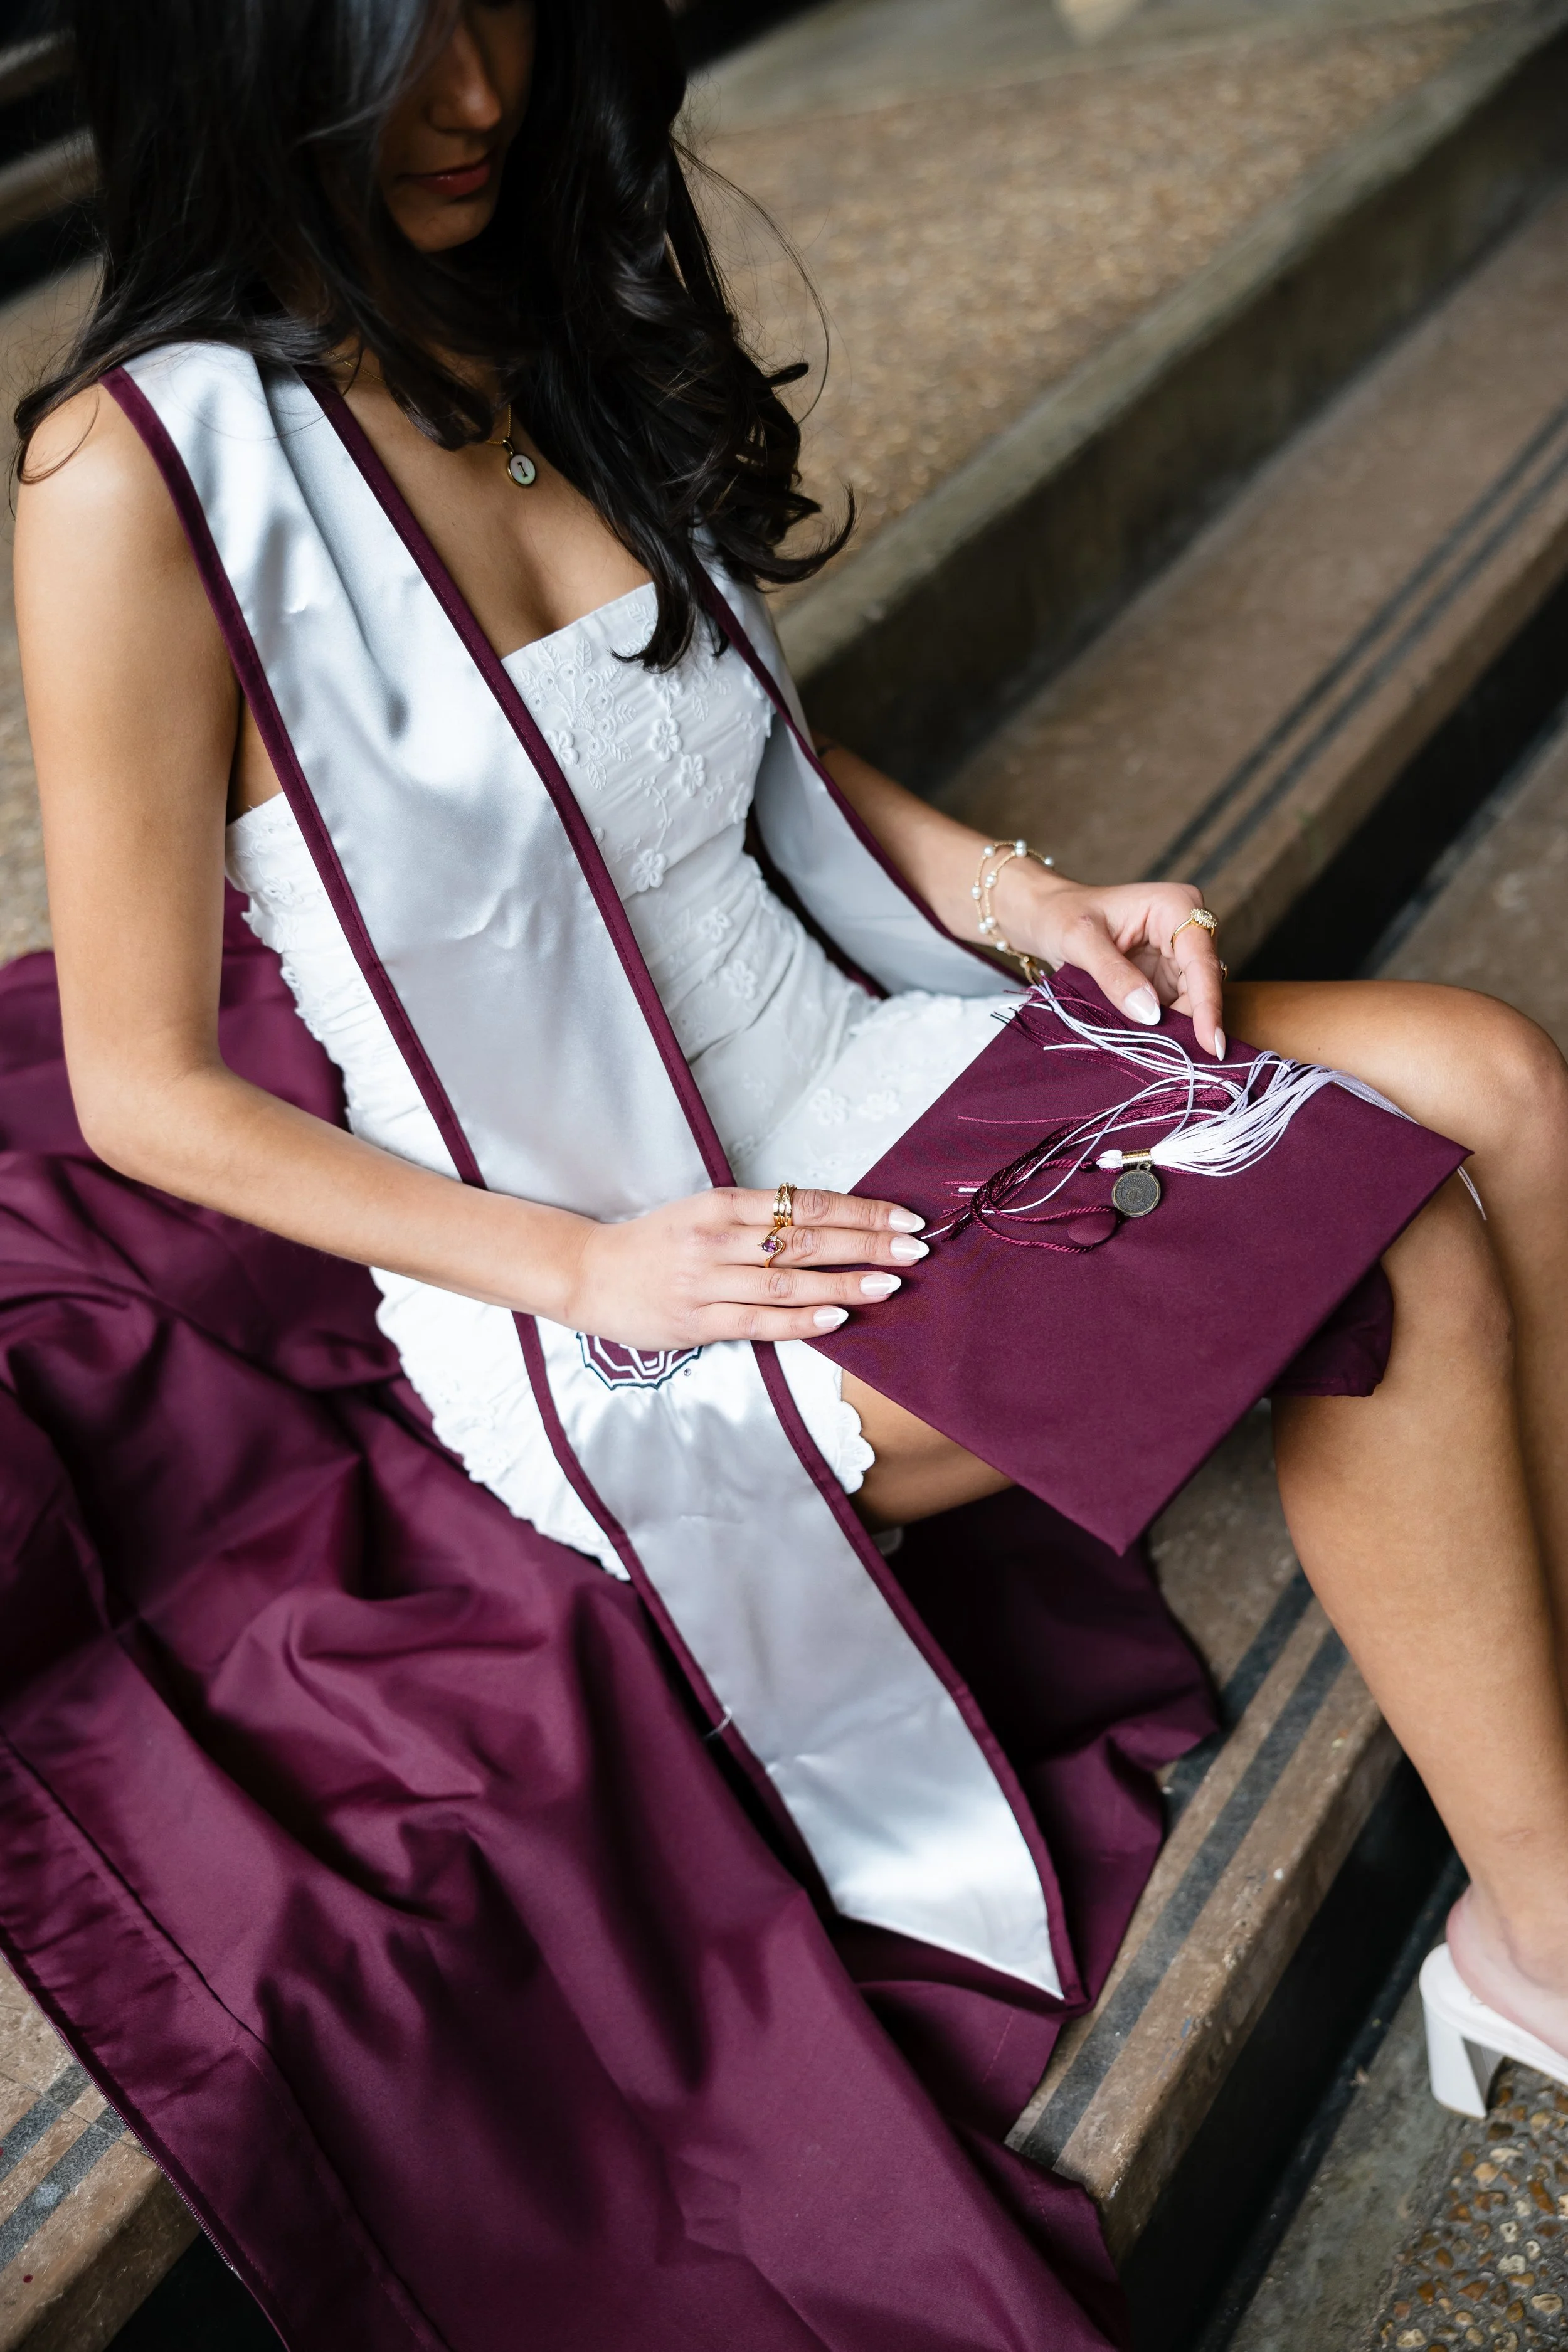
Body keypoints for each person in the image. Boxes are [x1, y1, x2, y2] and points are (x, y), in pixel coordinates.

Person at [5, 0, 1568, 2343]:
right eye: (392, 38)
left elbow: (733, 728)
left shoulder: (523, 301)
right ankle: (1535, 1931)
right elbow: (145, 1090)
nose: (472, 95)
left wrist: (1024, 895)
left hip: (860, 1052)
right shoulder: (132, 486)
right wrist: (586, 1267)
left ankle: (1527, 1687)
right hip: (639, 1267)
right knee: (1373, 1255)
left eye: (501, 9)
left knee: (1492, 1073)